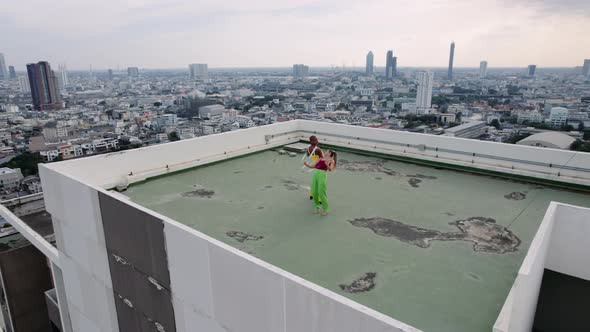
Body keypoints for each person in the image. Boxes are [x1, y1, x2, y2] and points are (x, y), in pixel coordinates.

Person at [304, 149, 337, 216]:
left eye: (327, 151)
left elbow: (330, 169)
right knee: (314, 191)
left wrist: (327, 165)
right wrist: (306, 164)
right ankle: (317, 207)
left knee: (321, 192)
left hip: (322, 175)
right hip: (315, 174)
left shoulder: (331, 160)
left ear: (330, 153)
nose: (325, 152)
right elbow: (313, 166)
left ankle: (326, 209)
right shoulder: (321, 158)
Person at [303, 136, 323, 200]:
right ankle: (319, 198)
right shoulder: (318, 149)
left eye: (317, 140)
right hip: (319, 167)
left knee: (313, 182)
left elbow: (308, 155)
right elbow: (322, 158)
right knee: (320, 183)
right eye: (315, 140)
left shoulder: (308, 147)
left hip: (312, 164)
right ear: (311, 141)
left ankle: (311, 195)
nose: (317, 141)